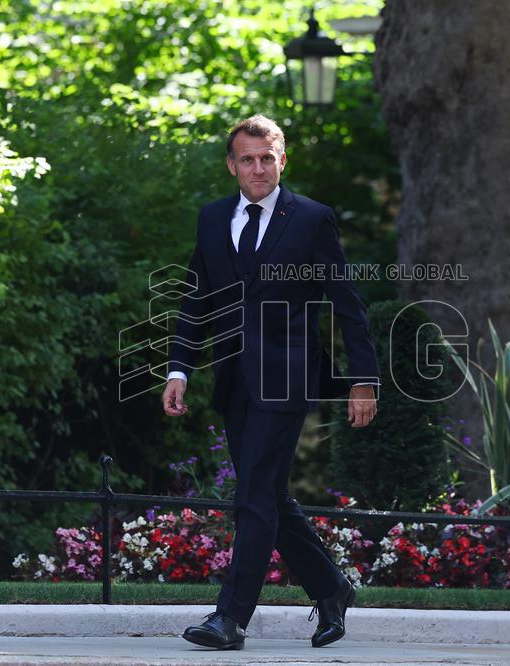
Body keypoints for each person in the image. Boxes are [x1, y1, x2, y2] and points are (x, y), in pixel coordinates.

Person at [163, 114, 380, 650]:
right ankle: (332, 589)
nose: (257, 168)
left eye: (267, 158)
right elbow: (197, 299)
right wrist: (179, 367)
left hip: (287, 378)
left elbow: (346, 303)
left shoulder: (311, 219)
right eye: (247, 159)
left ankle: (229, 619)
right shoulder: (212, 219)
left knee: (254, 496)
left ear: (282, 160)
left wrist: (364, 379)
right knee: (269, 497)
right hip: (233, 378)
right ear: (232, 165)